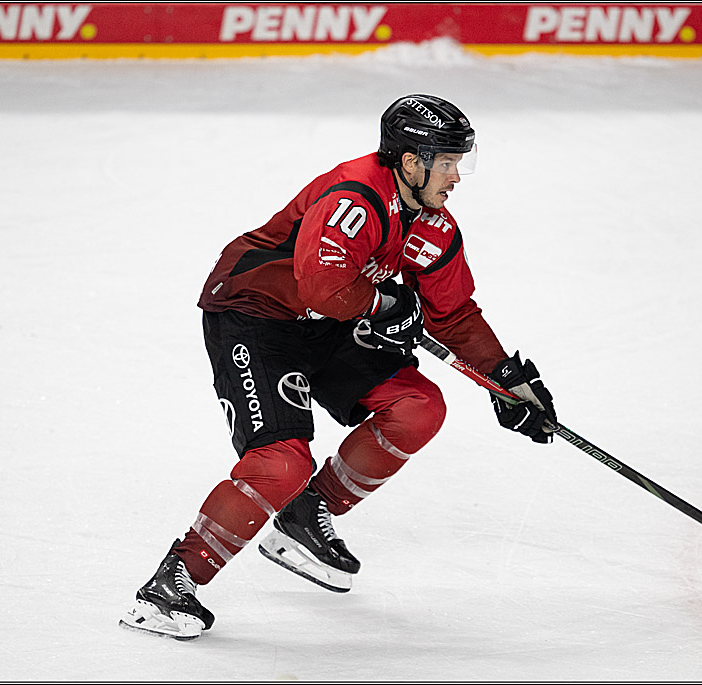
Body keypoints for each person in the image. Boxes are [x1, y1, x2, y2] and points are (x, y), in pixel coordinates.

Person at [119, 94, 558, 640]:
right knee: (280, 463)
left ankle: (306, 515)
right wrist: (381, 306)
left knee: (418, 407)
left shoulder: (434, 227)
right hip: (255, 313)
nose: (456, 176)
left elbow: (455, 313)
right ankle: (171, 582)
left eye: (458, 161)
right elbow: (322, 285)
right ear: (410, 161)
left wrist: (506, 381)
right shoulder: (355, 197)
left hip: (327, 319)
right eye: (446, 161)